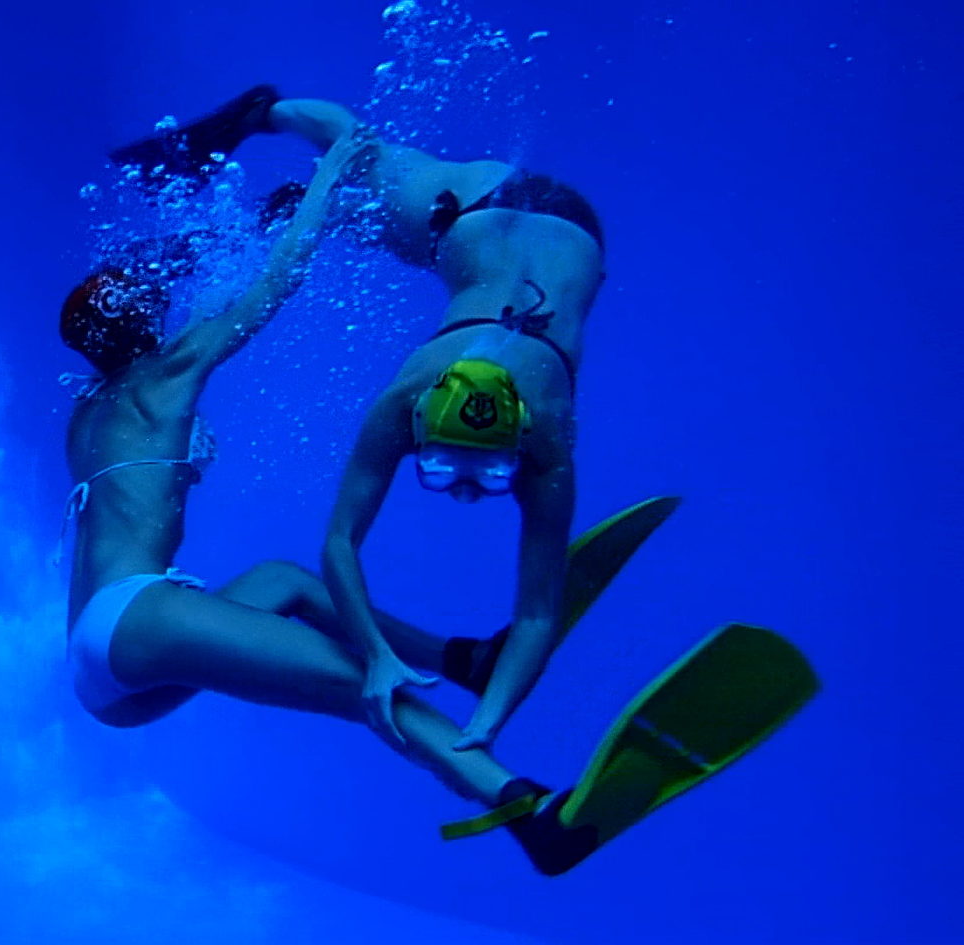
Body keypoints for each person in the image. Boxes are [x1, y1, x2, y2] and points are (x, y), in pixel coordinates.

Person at [63, 117, 599, 873]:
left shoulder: (89, 409)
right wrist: (323, 187)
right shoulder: (164, 372)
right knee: (359, 683)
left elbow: (128, 486)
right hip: (137, 617)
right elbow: (274, 281)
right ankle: (526, 806)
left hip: (102, 670)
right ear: (139, 319)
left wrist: (179, 460)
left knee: (284, 582)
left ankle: (464, 657)